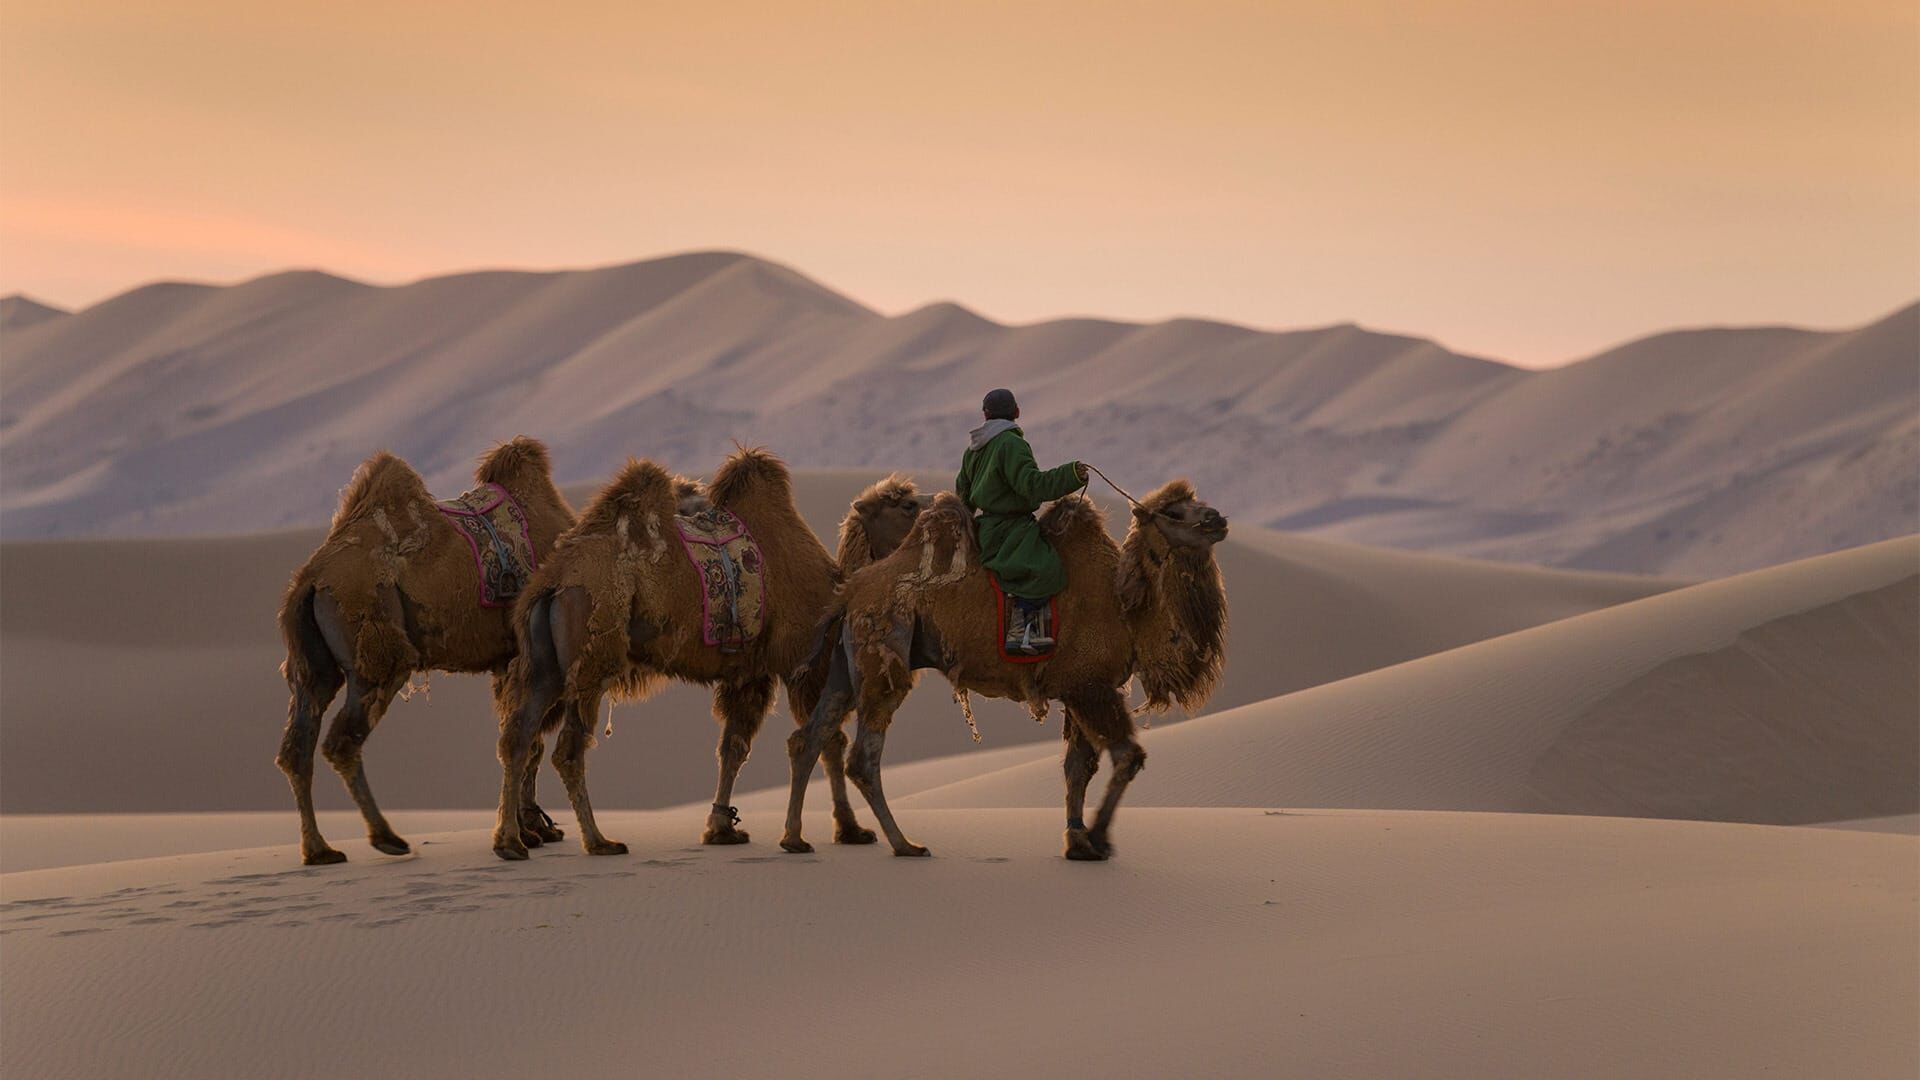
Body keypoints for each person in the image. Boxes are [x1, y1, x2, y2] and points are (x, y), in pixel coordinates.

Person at [956, 388, 1088, 654]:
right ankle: (1022, 629)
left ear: (985, 414)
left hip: (987, 530)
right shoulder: (1011, 444)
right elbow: (1032, 486)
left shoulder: (973, 450)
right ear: (1017, 412)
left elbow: (963, 497)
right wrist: (1071, 474)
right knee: (1046, 567)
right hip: (1011, 532)